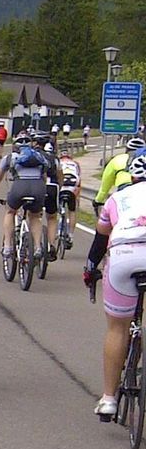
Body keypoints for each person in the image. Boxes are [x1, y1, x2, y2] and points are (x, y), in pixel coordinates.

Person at [84, 151, 146, 418]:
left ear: (131, 176)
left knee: (117, 328)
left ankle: (109, 399)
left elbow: (101, 237)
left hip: (123, 255)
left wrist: (90, 267)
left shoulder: (117, 198)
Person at [0, 133, 57, 265]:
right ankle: (38, 247)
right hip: (38, 187)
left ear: (15, 146)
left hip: (19, 186)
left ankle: (7, 246)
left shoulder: (10, 158)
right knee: (35, 216)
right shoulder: (39, 157)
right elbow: (44, 176)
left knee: (10, 211)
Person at [96, 134, 146, 207]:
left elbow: (106, 184)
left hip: (123, 190)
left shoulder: (117, 159)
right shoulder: (143, 160)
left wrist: (98, 200)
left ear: (127, 149)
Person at [57, 147, 82, 248]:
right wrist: (77, 197)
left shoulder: (58, 162)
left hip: (62, 184)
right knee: (72, 211)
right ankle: (71, 235)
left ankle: (59, 229)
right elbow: (79, 179)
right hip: (73, 184)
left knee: (55, 209)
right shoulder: (75, 163)